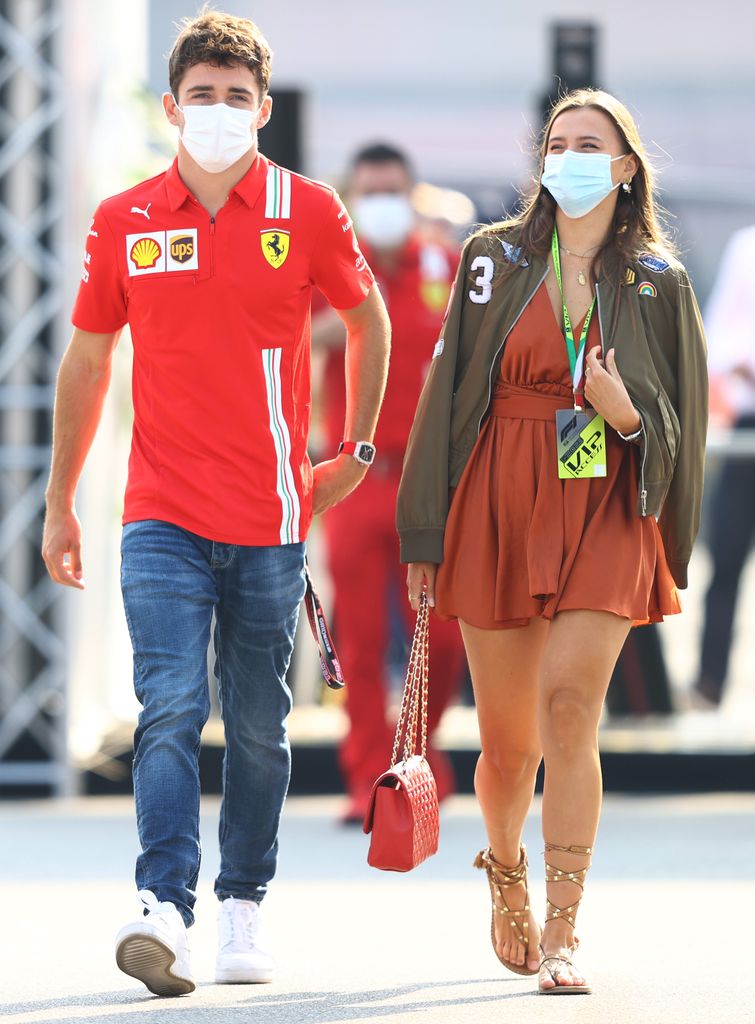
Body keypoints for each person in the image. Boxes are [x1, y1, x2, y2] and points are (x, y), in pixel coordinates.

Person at [41, 10, 390, 998]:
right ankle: (163, 906)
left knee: (259, 728)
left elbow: (366, 320)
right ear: (170, 108)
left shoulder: (306, 209)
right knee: (168, 711)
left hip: (274, 519)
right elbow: (87, 359)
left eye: (237, 98)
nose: (219, 112)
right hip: (159, 514)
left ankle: (243, 902)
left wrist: (354, 447)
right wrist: (61, 502)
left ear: (263, 111)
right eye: (202, 96)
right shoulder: (126, 220)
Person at [397, 89, 707, 994]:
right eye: (554, 142)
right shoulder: (490, 260)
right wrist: (426, 525)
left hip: (607, 500)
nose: (566, 156)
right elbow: (444, 392)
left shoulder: (659, 282)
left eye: (588, 144)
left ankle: (566, 932)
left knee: (570, 708)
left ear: (624, 168)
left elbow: (680, 421)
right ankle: (503, 872)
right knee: (507, 747)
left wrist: (626, 414)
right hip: (498, 491)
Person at [312, 143, 466, 823]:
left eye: (392, 190)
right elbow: (290, 338)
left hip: (429, 480)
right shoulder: (330, 268)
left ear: (411, 194)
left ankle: (418, 761)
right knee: (360, 637)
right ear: (351, 197)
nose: (382, 201)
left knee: (445, 636)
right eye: (369, 190)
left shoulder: (443, 265)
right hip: (354, 475)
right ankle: (365, 781)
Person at [687, 225, 755, 709]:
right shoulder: (747, 247)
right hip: (747, 424)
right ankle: (709, 682)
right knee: (727, 557)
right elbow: (721, 338)